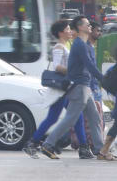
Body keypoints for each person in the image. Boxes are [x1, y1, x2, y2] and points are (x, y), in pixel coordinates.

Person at [39, 16, 106, 160]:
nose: (90, 26)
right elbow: (89, 65)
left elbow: (89, 65)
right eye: (87, 24)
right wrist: (104, 80)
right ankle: (48, 144)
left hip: (85, 86)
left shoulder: (84, 43)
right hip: (79, 87)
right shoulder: (79, 44)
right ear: (80, 27)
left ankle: (100, 150)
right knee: (70, 119)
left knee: (94, 117)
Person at [23, 20, 88, 157]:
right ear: (60, 33)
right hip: (60, 91)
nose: (70, 31)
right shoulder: (58, 47)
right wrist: (73, 71)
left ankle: (83, 148)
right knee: (55, 118)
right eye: (68, 29)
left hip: (66, 90)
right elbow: (57, 66)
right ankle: (33, 143)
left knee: (76, 117)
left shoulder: (65, 46)